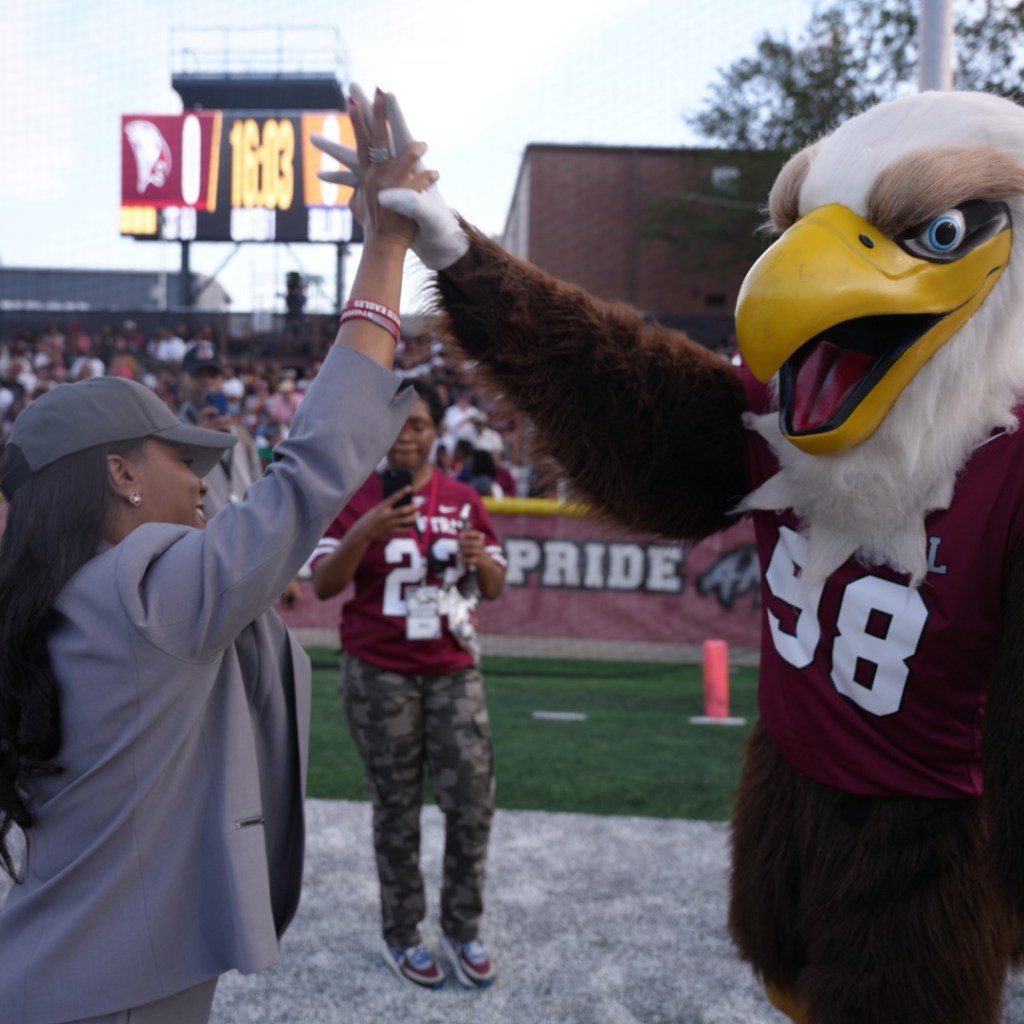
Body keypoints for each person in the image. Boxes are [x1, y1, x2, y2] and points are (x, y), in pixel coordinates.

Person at [0, 86, 433, 1024]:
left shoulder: (62, 593)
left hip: (54, 973)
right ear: (120, 476)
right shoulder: (144, 589)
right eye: (179, 457)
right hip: (109, 995)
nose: (203, 481)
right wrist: (387, 247)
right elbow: (311, 470)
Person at [310, 377, 507, 991]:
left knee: (471, 805)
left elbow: (495, 588)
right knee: (396, 812)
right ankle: (403, 934)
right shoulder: (354, 498)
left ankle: (462, 926)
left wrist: (477, 558)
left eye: (418, 424)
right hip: (379, 673)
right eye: (396, 425)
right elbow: (322, 586)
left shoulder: (463, 498)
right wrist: (365, 529)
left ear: (435, 433)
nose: (405, 437)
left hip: (451, 669)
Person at [178, 340, 263, 513]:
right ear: (184, 379)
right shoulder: (172, 432)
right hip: (201, 535)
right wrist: (194, 441)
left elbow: (258, 486)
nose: (207, 381)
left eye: (213, 375)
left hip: (245, 531)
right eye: (199, 375)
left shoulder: (239, 431)